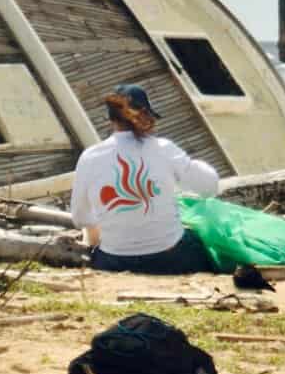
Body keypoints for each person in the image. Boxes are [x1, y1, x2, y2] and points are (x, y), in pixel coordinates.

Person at [70, 83, 218, 273]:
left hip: (114, 261)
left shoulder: (90, 156)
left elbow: (80, 217)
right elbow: (210, 187)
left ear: (111, 118)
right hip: (170, 258)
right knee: (197, 240)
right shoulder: (163, 148)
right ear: (146, 115)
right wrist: (192, 165)